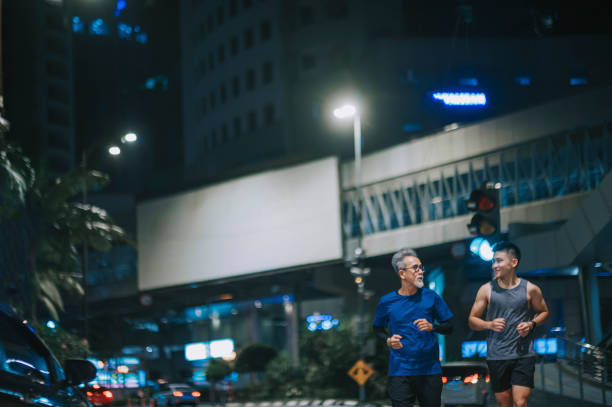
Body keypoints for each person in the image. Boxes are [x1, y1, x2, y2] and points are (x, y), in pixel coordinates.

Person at [468, 241, 549, 407]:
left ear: (514, 262)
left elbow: (544, 312)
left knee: (520, 402)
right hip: (497, 356)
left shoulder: (531, 289)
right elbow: (472, 320)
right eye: (493, 261)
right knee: (504, 403)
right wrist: (489, 325)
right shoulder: (486, 290)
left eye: (499, 261)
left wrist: (531, 324)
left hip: (523, 355)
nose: (494, 266)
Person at [373, 247, 454, 407]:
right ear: (402, 273)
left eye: (421, 267)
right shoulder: (387, 301)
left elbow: (449, 326)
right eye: (415, 268)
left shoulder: (431, 297)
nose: (420, 271)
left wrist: (433, 327)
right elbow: (377, 329)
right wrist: (388, 340)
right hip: (400, 371)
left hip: (429, 370)